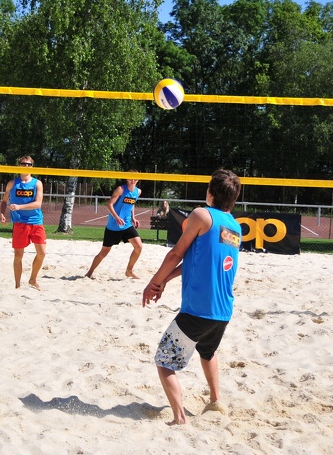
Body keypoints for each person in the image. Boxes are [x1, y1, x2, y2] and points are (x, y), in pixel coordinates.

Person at [142, 169, 242, 425]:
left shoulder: (202, 215)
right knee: (207, 352)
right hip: (223, 311)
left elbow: (176, 254)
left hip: (198, 310)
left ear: (210, 192)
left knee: (164, 361)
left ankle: (179, 417)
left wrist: (153, 283)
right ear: (234, 198)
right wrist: (165, 281)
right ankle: (215, 401)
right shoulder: (235, 227)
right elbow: (194, 262)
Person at [0, 155, 46, 290]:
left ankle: (32, 279)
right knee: (18, 255)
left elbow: (38, 204)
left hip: (35, 221)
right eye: (23, 164)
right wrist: (2, 213)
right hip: (20, 223)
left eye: (29, 164)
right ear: (19, 165)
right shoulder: (12, 183)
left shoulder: (37, 183)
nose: (26, 166)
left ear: (32, 166)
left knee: (42, 253)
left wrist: (19, 207)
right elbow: (4, 201)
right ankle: (17, 286)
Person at [85, 174, 142, 279]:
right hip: (113, 226)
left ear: (138, 179)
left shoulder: (138, 191)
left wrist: (133, 217)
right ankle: (89, 272)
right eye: (131, 178)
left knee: (138, 247)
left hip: (127, 225)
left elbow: (132, 204)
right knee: (104, 252)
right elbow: (109, 204)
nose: (133, 180)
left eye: (135, 178)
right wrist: (116, 217)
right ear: (127, 178)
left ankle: (129, 271)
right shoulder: (120, 189)